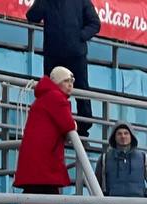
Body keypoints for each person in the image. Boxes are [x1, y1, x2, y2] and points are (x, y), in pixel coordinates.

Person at [13, 66, 76, 204]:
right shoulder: (56, 98)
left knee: (33, 195)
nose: (70, 85)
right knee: (48, 197)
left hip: (35, 158)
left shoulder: (44, 97)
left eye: (72, 81)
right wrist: (74, 125)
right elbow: (67, 124)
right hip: (45, 158)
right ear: (57, 82)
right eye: (66, 81)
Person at [25, 0, 99, 138]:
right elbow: (32, 16)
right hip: (53, 55)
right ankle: (49, 122)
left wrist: (80, 36)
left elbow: (95, 23)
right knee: (50, 91)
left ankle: (83, 130)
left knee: (81, 91)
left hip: (76, 55)